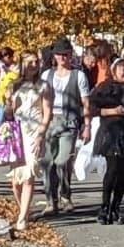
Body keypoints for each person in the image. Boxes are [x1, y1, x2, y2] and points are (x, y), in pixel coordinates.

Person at [88, 60, 124, 225]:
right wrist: (111, 110)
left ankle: (116, 207)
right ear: (114, 71)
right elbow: (92, 109)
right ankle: (104, 207)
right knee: (112, 170)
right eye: (122, 69)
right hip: (110, 131)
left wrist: (121, 107)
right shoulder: (104, 87)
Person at [40, 44, 90, 215]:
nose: (62, 58)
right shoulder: (47, 75)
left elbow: (86, 103)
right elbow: (40, 100)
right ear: (54, 56)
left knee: (62, 161)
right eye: (59, 54)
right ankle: (50, 200)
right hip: (51, 120)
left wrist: (87, 126)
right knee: (48, 162)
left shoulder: (79, 76)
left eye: (66, 54)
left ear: (70, 55)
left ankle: (65, 196)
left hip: (69, 121)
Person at [1, 58, 47, 234]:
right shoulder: (14, 85)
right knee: (15, 180)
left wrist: (41, 135)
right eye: (29, 62)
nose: (33, 65)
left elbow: (47, 113)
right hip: (17, 132)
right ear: (22, 65)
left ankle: (22, 218)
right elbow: (8, 114)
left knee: (29, 175)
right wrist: (8, 102)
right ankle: (24, 210)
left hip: (34, 132)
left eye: (36, 61)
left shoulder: (43, 86)